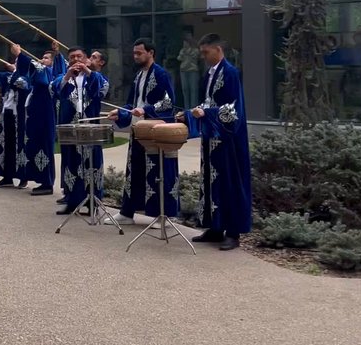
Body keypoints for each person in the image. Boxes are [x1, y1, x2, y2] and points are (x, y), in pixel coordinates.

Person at [177, 32, 251, 250]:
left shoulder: (230, 73)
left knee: (229, 183)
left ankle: (233, 232)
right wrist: (190, 115)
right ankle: (215, 227)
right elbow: (206, 103)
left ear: (218, 50)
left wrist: (206, 114)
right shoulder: (208, 74)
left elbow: (232, 109)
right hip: (211, 139)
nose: (202, 56)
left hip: (228, 140)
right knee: (211, 183)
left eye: (205, 52)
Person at [109, 38, 177, 226]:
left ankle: (162, 215)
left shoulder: (162, 74)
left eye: (139, 53)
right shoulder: (139, 75)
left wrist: (146, 110)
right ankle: (127, 212)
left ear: (151, 53)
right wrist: (121, 112)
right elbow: (133, 103)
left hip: (155, 131)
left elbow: (168, 102)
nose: (136, 56)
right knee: (134, 171)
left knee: (158, 171)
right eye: (134, 53)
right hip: (137, 128)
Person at [51, 47, 109, 214]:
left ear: (86, 59)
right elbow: (54, 91)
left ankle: (93, 202)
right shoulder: (63, 78)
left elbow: (102, 89)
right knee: (71, 162)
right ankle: (72, 200)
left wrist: (87, 71)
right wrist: (68, 75)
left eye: (79, 56)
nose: (76, 59)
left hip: (90, 128)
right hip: (70, 128)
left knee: (92, 163)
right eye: (72, 57)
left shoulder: (95, 77)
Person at [15, 42, 67, 195]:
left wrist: (21, 54)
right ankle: (37, 179)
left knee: (45, 148)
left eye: (46, 58)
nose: (42, 60)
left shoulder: (50, 74)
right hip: (35, 118)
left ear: (53, 62)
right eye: (42, 58)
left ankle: (47, 183)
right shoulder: (41, 74)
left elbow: (44, 79)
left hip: (46, 118)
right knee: (34, 147)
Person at [0, 52, 30, 189]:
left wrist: (16, 71)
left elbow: (23, 85)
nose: (15, 64)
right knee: (6, 144)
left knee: (20, 145)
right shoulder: (9, 76)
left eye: (18, 63)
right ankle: (7, 176)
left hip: (19, 115)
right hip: (6, 113)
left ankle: (23, 176)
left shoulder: (25, 77)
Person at [177, 33, 200, 110]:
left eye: (186, 42)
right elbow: (179, 58)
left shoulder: (195, 50)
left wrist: (188, 52)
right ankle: (186, 108)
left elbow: (196, 56)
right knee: (185, 90)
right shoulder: (182, 51)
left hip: (192, 71)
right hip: (183, 71)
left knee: (193, 90)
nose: (184, 44)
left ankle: (193, 108)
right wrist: (183, 53)